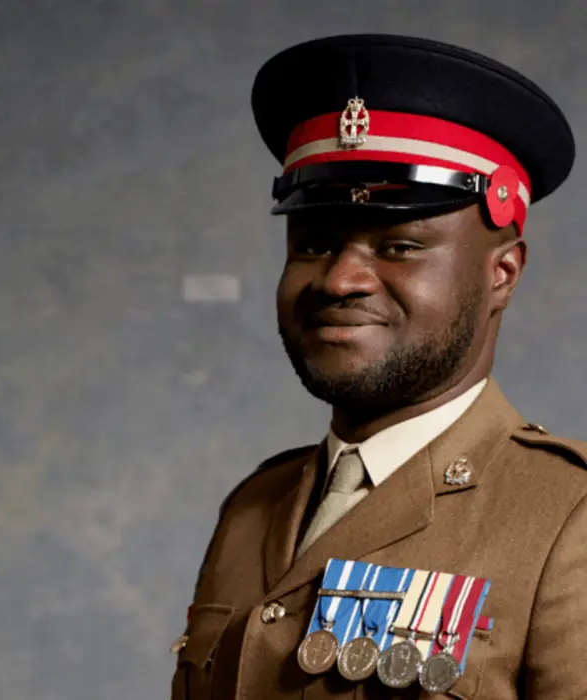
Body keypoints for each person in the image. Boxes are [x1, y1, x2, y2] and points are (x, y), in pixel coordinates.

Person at [169, 34, 587, 700]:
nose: (340, 280)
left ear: (501, 273)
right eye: (314, 243)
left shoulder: (570, 518)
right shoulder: (253, 507)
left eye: (399, 245)